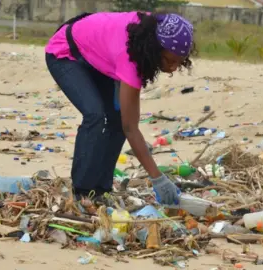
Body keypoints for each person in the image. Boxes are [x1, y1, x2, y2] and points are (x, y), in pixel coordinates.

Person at [45, 11, 194, 206]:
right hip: (65, 53)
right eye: (169, 61)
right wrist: (158, 179)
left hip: (98, 57)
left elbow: (124, 121)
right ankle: (81, 192)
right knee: (95, 115)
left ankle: (101, 189)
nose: (174, 68)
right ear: (154, 49)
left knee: (116, 118)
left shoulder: (152, 30)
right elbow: (131, 128)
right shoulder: (132, 56)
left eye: (179, 62)